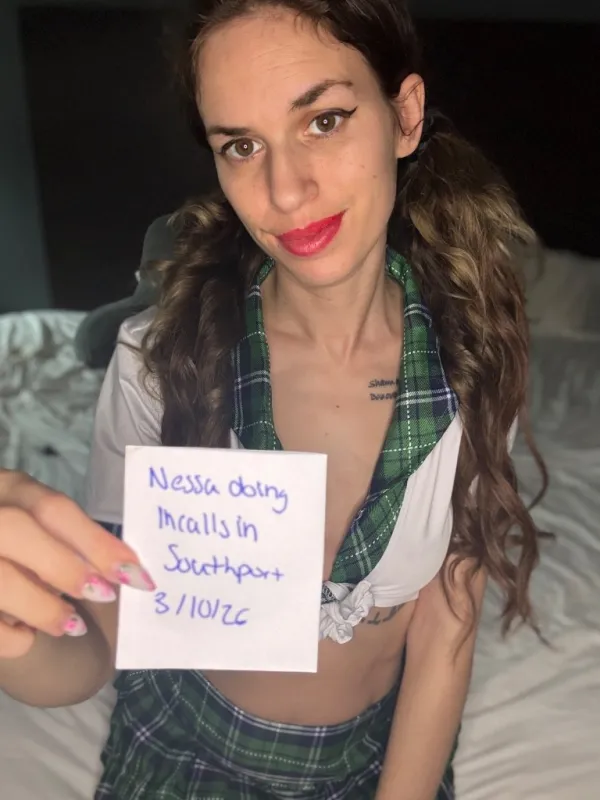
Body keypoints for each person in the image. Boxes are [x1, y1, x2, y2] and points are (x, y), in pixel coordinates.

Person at [0, 1, 546, 798]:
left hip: (374, 761)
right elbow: (100, 651)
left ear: (404, 116)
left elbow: (445, 632)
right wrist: (18, 630)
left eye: (324, 121)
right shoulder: (158, 361)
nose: (285, 192)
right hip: (185, 747)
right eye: (242, 145)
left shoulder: (474, 357)